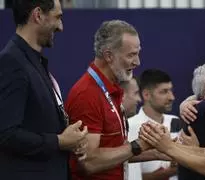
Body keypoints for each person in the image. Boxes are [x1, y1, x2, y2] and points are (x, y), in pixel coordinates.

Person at [0, 0, 88, 179]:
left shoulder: (32, 61)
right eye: (58, 17)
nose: (61, 27)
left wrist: (69, 142)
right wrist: (59, 142)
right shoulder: (11, 62)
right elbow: (6, 134)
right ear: (38, 15)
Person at [65, 20, 159, 180]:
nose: (138, 62)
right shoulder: (87, 94)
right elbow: (89, 161)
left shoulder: (109, 88)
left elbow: (115, 153)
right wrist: (138, 145)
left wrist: (162, 150)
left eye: (138, 53)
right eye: (131, 55)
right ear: (108, 55)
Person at [128, 69, 181, 180]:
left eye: (171, 90)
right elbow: (132, 176)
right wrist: (171, 170)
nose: (172, 97)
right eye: (164, 92)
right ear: (146, 95)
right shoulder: (130, 126)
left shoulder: (176, 121)